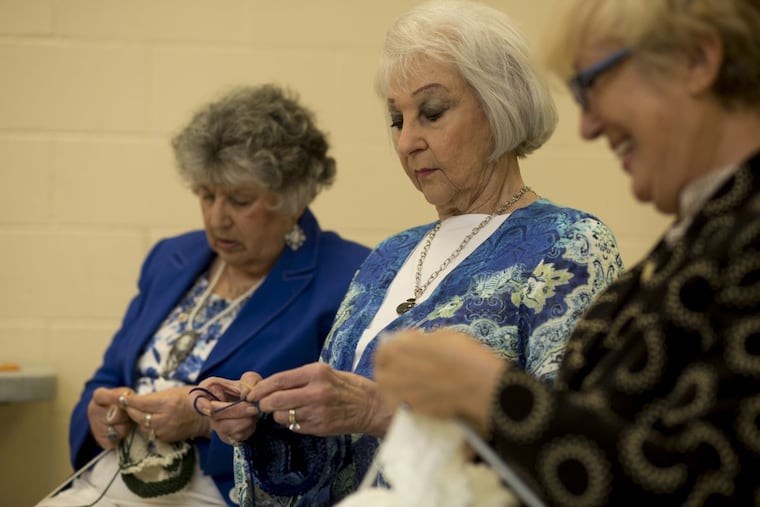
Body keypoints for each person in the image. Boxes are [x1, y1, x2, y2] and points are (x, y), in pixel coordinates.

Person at [194, 2, 623, 505]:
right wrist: (274, 421)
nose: (407, 142)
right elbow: (339, 462)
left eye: (432, 112)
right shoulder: (388, 257)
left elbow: (571, 454)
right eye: (397, 119)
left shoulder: (569, 244)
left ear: (500, 104)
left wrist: (380, 410)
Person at [374, 0, 760, 505]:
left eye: (594, 82)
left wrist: (491, 394)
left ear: (697, 61)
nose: (588, 125)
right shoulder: (700, 236)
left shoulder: (732, 237)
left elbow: (704, 482)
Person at [37, 84, 370, 507]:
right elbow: (107, 378)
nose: (217, 219)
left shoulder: (349, 277)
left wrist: (204, 424)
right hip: (108, 479)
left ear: (293, 198)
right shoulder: (172, 256)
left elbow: (346, 435)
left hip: (221, 493)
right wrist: (102, 414)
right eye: (206, 194)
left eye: (239, 200)